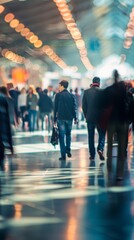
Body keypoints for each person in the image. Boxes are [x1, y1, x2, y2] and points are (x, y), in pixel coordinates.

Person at [103, 70, 133, 180]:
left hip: (111, 122)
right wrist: (130, 120)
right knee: (121, 147)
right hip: (122, 121)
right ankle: (119, 173)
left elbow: (103, 107)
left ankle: (109, 164)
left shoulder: (108, 91)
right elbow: (130, 107)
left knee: (110, 143)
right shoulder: (125, 93)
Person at [82, 77, 106, 161]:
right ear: (99, 83)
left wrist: (86, 115)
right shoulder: (103, 92)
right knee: (102, 134)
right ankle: (100, 149)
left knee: (91, 136)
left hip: (90, 118)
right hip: (101, 118)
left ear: (92, 82)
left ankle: (92, 155)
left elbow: (84, 106)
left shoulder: (86, 92)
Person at [54, 80, 78, 161]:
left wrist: (54, 119)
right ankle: (68, 149)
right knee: (68, 134)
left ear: (62, 86)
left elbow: (55, 108)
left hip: (61, 118)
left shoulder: (58, 95)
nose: (58, 87)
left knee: (61, 136)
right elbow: (74, 108)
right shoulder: (71, 96)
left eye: (59, 86)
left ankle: (63, 155)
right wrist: (75, 118)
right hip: (69, 118)